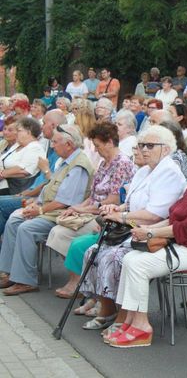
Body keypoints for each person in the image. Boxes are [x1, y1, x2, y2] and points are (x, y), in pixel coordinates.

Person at [108, 131, 187, 347]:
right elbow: (174, 217)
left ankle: (141, 327)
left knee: (137, 263)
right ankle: (130, 320)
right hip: (184, 245)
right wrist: (150, 228)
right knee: (130, 258)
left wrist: (150, 232)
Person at [77, 125, 187, 330]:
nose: (144, 149)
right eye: (142, 145)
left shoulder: (170, 172)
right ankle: (107, 308)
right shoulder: (145, 170)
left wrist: (122, 215)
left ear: (166, 148)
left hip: (154, 233)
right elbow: (130, 202)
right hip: (131, 228)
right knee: (93, 252)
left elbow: (156, 214)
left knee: (114, 258)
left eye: (150, 146)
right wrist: (115, 207)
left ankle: (123, 315)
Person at [0, 125, 94, 295]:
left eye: (55, 142)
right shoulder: (66, 160)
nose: (52, 145)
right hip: (50, 210)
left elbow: (64, 202)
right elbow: (51, 190)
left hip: (62, 215)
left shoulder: (78, 165)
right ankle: (10, 272)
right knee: (14, 220)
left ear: (69, 144)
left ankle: (25, 280)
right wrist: (35, 204)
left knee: (26, 228)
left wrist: (39, 210)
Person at [47, 122, 136, 298]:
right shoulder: (104, 163)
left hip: (106, 215)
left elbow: (113, 199)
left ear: (110, 142)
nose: (95, 150)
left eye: (98, 145)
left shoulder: (122, 164)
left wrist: (83, 210)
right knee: (58, 230)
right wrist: (77, 207)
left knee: (62, 234)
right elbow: (93, 195)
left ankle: (78, 281)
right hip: (94, 211)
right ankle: (79, 278)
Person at [0, 118, 45, 196]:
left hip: (18, 191)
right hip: (5, 185)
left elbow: (23, 170)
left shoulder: (35, 147)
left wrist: (2, 174)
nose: (16, 133)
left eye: (19, 131)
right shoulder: (17, 145)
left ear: (29, 132)